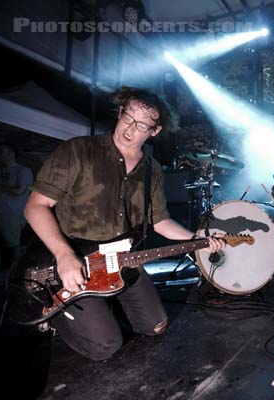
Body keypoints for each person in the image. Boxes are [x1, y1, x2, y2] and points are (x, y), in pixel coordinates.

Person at [23, 87, 225, 360]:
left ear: (154, 131)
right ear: (120, 112)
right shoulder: (78, 150)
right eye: (128, 117)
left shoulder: (152, 170)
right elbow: (35, 206)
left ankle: (104, 304)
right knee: (104, 346)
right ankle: (57, 312)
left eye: (141, 124)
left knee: (155, 327)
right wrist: (63, 255)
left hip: (120, 259)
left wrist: (198, 239)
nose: (130, 128)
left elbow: (160, 221)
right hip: (74, 260)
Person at [0, 142, 33, 271]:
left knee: (12, 245)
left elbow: (19, 191)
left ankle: (15, 274)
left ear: (11, 154)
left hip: (11, 213)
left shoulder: (23, 171)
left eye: (1, 151)